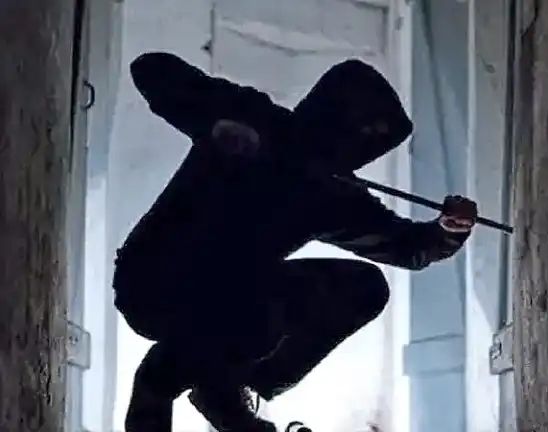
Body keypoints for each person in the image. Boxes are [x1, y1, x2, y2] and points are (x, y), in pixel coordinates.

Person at [113, 52, 478, 432]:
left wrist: (447, 229)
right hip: (153, 284)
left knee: (362, 289)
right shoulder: (252, 116)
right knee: (240, 314)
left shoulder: (331, 191)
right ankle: (173, 381)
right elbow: (152, 70)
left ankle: (230, 386)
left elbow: (411, 247)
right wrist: (216, 123)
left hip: (230, 303)